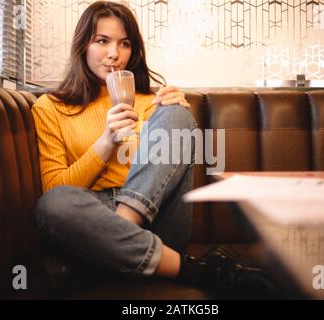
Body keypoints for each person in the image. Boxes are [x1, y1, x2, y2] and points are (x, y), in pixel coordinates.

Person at [32, 1, 275, 299]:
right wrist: (107, 141)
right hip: (91, 215)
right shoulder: (51, 108)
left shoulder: (152, 103)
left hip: (156, 221)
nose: (114, 54)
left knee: (178, 114)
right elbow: (55, 187)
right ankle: (190, 269)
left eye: (124, 44)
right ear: (83, 45)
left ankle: (111, 244)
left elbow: (167, 171)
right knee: (53, 203)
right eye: (102, 41)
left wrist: (177, 119)